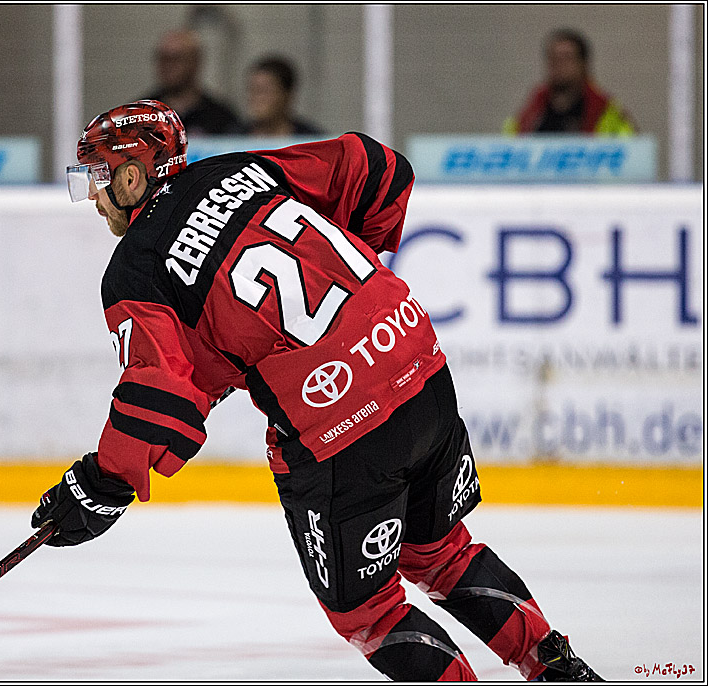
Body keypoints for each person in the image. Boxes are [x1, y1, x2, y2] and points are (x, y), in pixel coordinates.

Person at [33, 99, 603, 681]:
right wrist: (352, 287)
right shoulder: (236, 169)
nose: (94, 198)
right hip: (415, 357)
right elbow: (376, 168)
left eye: (98, 178)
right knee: (443, 551)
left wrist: (99, 486)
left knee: (368, 612)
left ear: (132, 176)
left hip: (337, 428)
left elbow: (159, 401)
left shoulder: (135, 267)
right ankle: (559, 669)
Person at [504, 28, 635, 135]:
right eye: (553, 58)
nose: (558, 64)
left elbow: (629, 155)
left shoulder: (606, 113)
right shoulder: (531, 113)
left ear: (583, 64)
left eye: (566, 58)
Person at [143, 30, 242, 135]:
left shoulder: (221, 118)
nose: (168, 66)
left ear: (195, 62)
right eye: (163, 59)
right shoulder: (139, 114)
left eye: (176, 59)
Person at [243, 56, 323, 137]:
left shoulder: (310, 140)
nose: (256, 98)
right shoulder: (234, 137)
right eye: (252, 90)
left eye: (264, 91)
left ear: (286, 94)